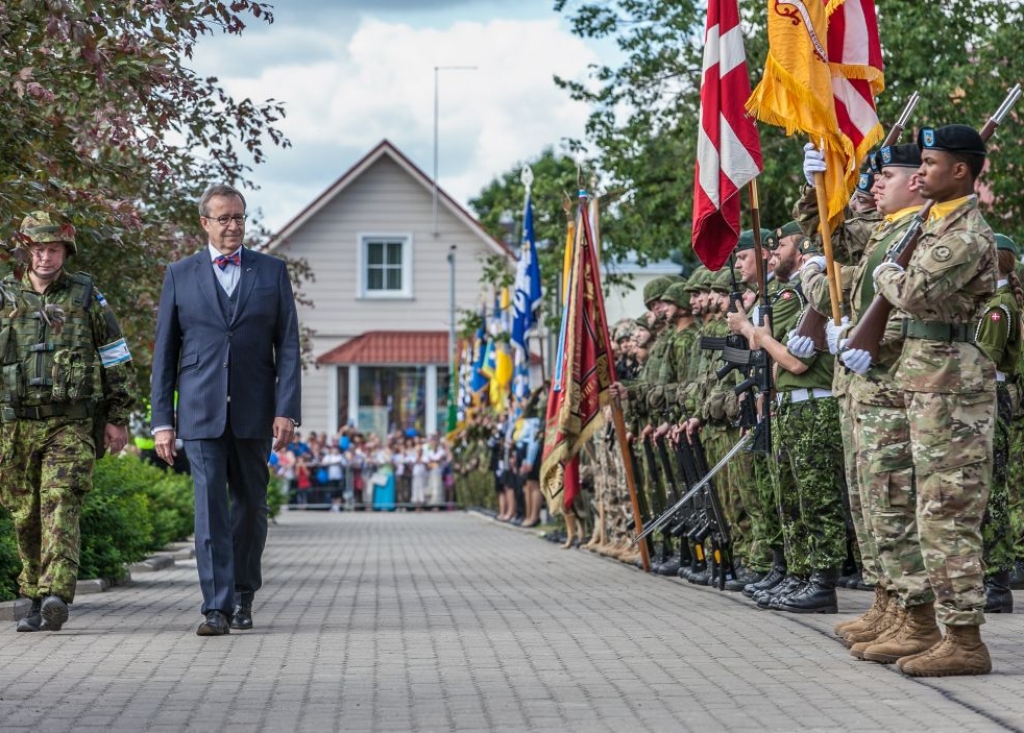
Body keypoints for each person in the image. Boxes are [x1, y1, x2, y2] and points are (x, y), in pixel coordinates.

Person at [859, 124, 997, 676]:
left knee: (948, 514)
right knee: (922, 508)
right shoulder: (933, 225)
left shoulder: (965, 236)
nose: (920, 173)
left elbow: (915, 292)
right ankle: (930, 625)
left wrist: (889, 271)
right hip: (926, 382)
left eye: (931, 163)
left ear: (960, 171)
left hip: (953, 390)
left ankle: (964, 639)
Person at [151, 183, 301, 637]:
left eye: (239, 217)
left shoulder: (272, 271)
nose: (233, 226)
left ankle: (242, 594)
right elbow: (165, 352)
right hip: (199, 411)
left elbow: (289, 345)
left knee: (251, 507)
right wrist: (163, 421)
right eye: (224, 218)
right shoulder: (180, 274)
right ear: (205, 223)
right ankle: (214, 607)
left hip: (256, 411)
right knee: (209, 508)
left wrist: (286, 409)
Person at [0, 211, 136, 632]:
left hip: (71, 423)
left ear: (65, 251)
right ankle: (34, 596)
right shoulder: (5, 296)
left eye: (52, 249)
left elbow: (116, 356)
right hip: (15, 424)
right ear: (27, 251)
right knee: (24, 514)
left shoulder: (85, 296)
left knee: (60, 503)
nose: (44, 257)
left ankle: (56, 593)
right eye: (37, 249)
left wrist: (117, 417)